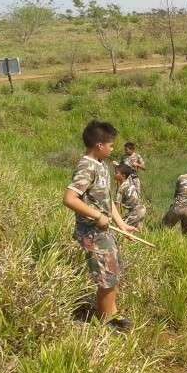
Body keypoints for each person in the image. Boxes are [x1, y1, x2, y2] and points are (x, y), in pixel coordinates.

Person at [63, 120, 137, 333]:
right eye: (111, 145)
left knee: (113, 271)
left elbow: (107, 199)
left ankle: (113, 314)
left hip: (104, 230)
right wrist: (97, 216)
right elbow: (70, 198)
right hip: (92, 232)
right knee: (106, 276)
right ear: (99, 145)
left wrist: (122, 224)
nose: (113, 149)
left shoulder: (102, 166)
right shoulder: (86, 166)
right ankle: (106, 325)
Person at [114, 164, 147, 229]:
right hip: (141, 209)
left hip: (135, 212)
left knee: (121, 229)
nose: (115, 174)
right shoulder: (130, 183)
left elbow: (117, 205)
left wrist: (114, 219)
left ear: (123, 176)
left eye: (117, 173)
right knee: (135, 231)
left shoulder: (122, 188)